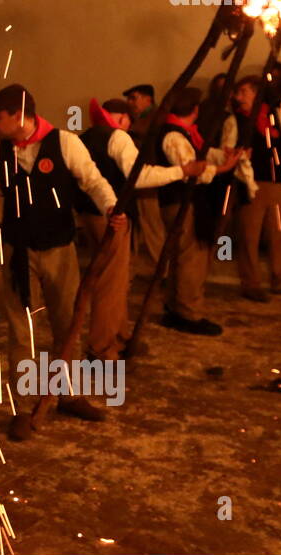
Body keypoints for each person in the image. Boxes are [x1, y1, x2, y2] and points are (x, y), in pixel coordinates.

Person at [0, 84, 122, 442]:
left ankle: (70, 395)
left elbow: (93, 181)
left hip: (60, 250)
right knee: (22, 333)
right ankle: (22, 407)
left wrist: (111, 207)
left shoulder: (64, 143)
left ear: (19, 116)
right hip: (17, 251)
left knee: (67, 323)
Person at [76, 99, 206, 359]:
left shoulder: (86, 137)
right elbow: (141, 176)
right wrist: (183, 171)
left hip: (91, 215)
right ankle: (102, 349)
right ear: (124, 119)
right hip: (114, 218)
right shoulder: (118, 138)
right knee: (111, 284)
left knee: (117, 279)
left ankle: (119, 336)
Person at [153, 87, 243, 335]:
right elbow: (192, 171)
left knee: (183, 256)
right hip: (181, 202)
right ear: (195, 110)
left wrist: (221, 155)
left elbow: (199, 154)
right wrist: (224, 168)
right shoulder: (174, 137)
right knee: (191, 257)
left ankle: (175, 307)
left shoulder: (184, 134)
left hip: (182, 202)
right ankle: (188, 313)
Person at [223, 76, 281, 301]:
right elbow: (226, 151)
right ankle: (250, 283)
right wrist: (237, 156)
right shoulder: (234, 121)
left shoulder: (276, 115)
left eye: (243, 91)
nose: (238, 96)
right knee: (248, 236)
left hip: (276, 182)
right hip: (249, 184)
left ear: (255, 93)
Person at [124, 83, 165, 267]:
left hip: (147, 184)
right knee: (143, 229)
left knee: (152, 228)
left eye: (134, 97)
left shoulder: (150, 119)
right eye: (129, 98)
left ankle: (162, 270)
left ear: (148, 99)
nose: (130, 102)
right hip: (143, 183)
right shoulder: (142, 119)